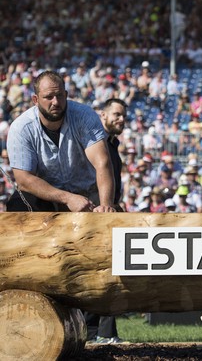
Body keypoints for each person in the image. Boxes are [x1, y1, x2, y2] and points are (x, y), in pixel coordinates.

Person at [6, 70, 116, 213]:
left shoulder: (85, 116)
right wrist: (67, 198)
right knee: (19, 202)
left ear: (66, 95)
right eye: (49, 97)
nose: (55, 102)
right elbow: (24, 180)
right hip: (48, 197)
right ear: (35, 100)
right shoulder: (21, 128)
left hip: (90, 195)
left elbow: (103, 162)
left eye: (59, 96)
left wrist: (105, 206)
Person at [83, 98, 128, 344]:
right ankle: (102, 333)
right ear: (103, 115)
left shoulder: (112, 144)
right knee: (106, 274)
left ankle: (97, 332)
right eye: (117, 114)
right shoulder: (95, 142)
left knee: (105, 273)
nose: (121, 119)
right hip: (96, 214)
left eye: (123, 116)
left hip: (107, 212)